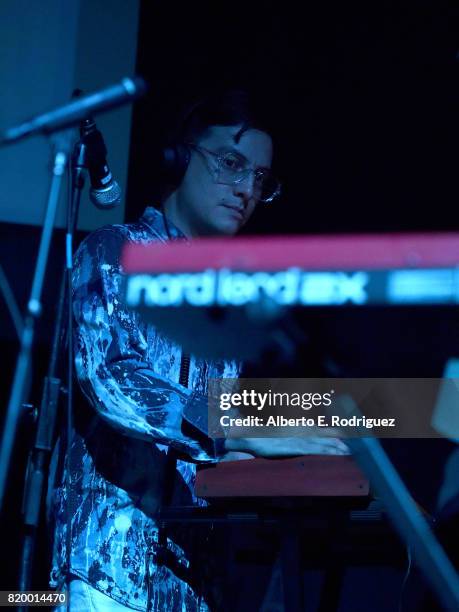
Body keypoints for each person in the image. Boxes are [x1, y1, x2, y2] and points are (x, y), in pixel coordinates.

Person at [48, 90, 347, 611]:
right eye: (232, 163)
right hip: (107, 566)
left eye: (260, 179)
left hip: (189, 581)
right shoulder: (114, 250)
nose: (247, 188)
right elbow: (115, 378)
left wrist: (305, 454)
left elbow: (211, 448)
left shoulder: (224, 303)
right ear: (181, 157)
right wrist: (245, 428)